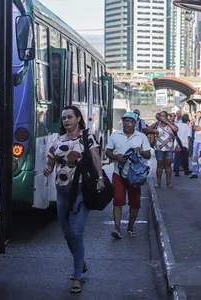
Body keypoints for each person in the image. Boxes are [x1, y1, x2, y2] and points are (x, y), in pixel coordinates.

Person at [43, 106, 104, 293]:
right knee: (67, 234)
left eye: (70, 117)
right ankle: (81, 262)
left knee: (77, 232)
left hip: (81, 189)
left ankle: (77, 276)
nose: (66, 121)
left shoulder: (87, 137)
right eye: (63, 118)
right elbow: (51, 161)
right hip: (62, 191)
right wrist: (48, 169)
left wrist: (100, 178)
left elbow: (95, 156)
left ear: (78, 119)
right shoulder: (58, 139)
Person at [106, 112, 151, 239]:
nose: (127, 123)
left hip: (135, 175)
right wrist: (115, 157)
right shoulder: (115, 135)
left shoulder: (141, 137)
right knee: (118, 201)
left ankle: (130, 227)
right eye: (125, 121)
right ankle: (117, 229)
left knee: (135, 203)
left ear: (135, 123)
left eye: (130, 121)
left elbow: (148, 154)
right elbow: (107, 151)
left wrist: (141, 151)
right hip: (118, 173)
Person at [149, 111, 178, 188]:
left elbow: (176, 129)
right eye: (161, 115)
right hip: (159, 147)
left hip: (169, 147)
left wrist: (168, 122)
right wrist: (153, 131)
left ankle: (168, 183)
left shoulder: (170, 123)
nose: (162, 117)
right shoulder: (156, 124)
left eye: (164, 115)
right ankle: (158, 183)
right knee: (159, 164)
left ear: (166, 116)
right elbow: (147, 129)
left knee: (168, 165)